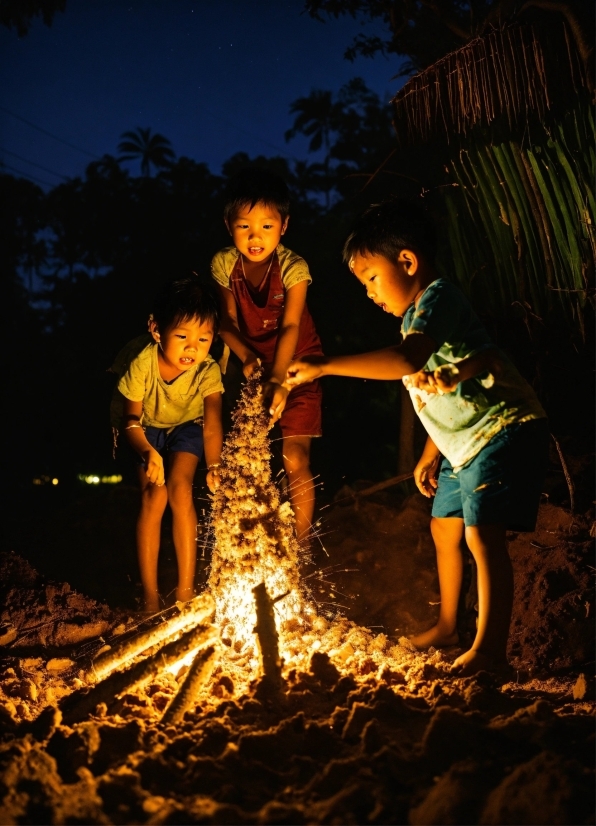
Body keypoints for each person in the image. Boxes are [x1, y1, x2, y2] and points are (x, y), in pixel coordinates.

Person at [286, 198, 548, 677]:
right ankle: (450, 626)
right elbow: (433, 399)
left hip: (498, 429)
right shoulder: (412, 321)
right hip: (459, 446)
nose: (368, 293)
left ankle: (491, 652)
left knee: (482, 536)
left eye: (370, 278)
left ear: (407, 261)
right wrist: (431, 452)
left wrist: (324, 366)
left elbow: (408, 363)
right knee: (443, 527)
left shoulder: (438, 298)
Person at [211, 168, 323, 541]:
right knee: (244, 456)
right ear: (229, 226)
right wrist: (247, 358)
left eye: (266, 226)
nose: (255, 237)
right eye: (244, 227)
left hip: (298, 364)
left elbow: (290, 326)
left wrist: (279, 378)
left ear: (284, 226)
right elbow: (225, 323)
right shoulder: (225, 265)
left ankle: (299, 548)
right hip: (251, 370)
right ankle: (245, 543)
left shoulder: (294, 268)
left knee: (296, 459)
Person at [112, 277, 224, 612]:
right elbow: (130, 421)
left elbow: (213, 424)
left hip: (188, 428)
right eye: (182, 337)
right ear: (156, 330)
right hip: (146, 430)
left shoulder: (208, 370)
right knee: (153, 495)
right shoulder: (142, 365)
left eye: (203, 339)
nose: (193, 348)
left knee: (179, 489)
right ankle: (148, 597)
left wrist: (215, 466)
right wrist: (148, 452)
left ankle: (185, 595)